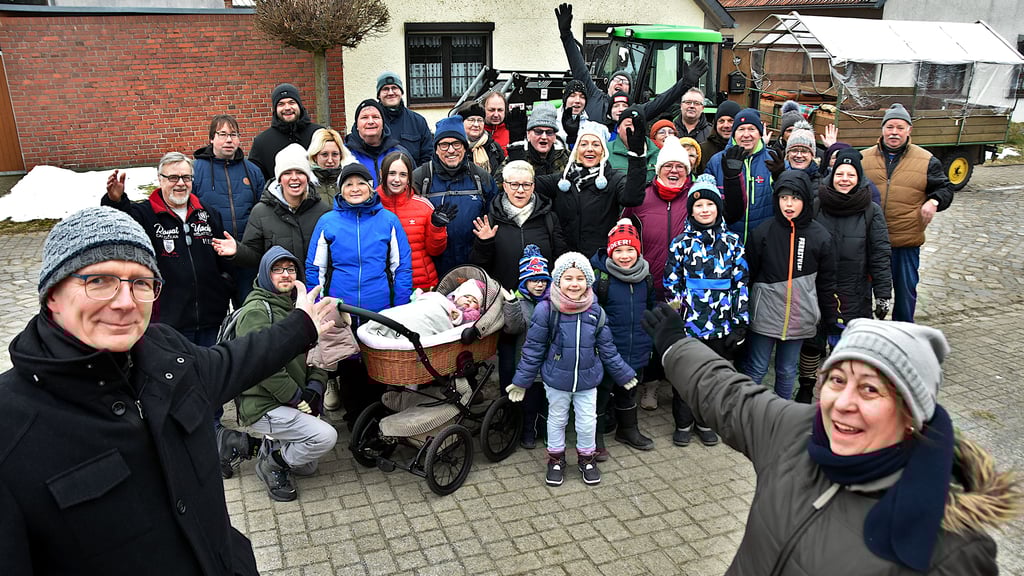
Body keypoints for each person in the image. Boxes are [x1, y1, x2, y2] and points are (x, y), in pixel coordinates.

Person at [0, 206, 333, 575]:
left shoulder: (167, 354)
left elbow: (236, 360)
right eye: (99, 280)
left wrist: (303, 324)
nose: (126, 302)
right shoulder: (10, 427)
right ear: (52, 294)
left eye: (141, 282)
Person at [642, 309, 1023, 574]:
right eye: (836, 381)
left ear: (911, 414)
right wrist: (676, 345)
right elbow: (728, 395)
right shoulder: (795, 431)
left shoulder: (951, 549)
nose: (843, 404)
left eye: (870, 389)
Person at [508, 251, 638, 486]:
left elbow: (607, 348)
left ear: (588, 281)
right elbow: (533, 349)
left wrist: (623, 373)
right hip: (556, 379)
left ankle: (587, 458)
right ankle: (556, 459)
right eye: (568, 278)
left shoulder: (596, 311)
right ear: (558, 280)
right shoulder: (546, 310)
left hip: (588, 380)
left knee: (587, 421)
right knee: (556, 419)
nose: (574, 283)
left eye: (580, 278)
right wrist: (521, 381)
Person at [307, 162, 413, 428]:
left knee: (378, 363)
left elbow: (400, 266)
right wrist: (320, 305)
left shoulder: (387, 220)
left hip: (380, 308)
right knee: (350, 366)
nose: (355, 189)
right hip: (343, 312)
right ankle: (356, 418)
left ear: (370, 188)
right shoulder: (327, 221)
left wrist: (399, 307)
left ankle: (381, 415)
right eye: (348, 184)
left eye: (360, 184)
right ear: (341, 190)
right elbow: (315, 267)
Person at [235, 247, 337, 502]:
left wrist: (315, 386)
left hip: (287, 400)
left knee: (308, 466)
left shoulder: (294, 307)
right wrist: (296, 397)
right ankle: (273, 463)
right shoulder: (257, 312)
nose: (285, 275)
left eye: (290, 269)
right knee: (325, 437)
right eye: (277, 269)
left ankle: (264, 445)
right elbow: (260, 366)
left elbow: (314, 356)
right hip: (261, 403)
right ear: (265, 274)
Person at [470, 159, 568, 423]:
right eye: (514, 184)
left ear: (534, 186)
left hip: (545, 303)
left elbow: (560, 257)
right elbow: (480, 267)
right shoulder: (491, 217)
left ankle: (542, 416)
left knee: (545, 355)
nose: (520, 190)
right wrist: (484, 243)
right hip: (509, 303)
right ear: (504, 186)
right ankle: (510, 416)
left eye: (526, 184)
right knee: (510, 359)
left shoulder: (548, 216)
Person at [794, 148, 892, 403]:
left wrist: (883, 294)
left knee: (845, 347)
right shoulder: (816, 204)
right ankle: (806, 386)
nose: (845, 178)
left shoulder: (871, 211)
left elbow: (880, 254)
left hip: (853, 290)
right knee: (812, 343)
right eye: (840, 173)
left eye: (851, 174)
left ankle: (841, 393)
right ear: (832, 175)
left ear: (859, 178)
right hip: (817, 288)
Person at [103, 152, 232, 346]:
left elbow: (223, 258)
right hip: (168, 322)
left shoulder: (208, 213)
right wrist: (115, 201)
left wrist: (225, 283)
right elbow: (118, 224)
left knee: (210, 373)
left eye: (186, 177)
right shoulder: (145, 214)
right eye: (173, 177)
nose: (180, 183)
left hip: (211, 319)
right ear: (160, 179)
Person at [664, 174, 749, 445]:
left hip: (721, 321)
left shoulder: (733, 243)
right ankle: (684, 420)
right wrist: (675, 319)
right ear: (691, 211)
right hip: (690, 322)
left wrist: (740, 322)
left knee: (713, 375)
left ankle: (705, 421)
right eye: (698, 206)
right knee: (686, 373)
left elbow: (741, 283)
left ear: (718, 208)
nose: (704, 210)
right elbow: (671, 283)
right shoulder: (681, 244)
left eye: (710, 205)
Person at [742, 170, 838, 400]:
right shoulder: (762, 232)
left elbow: (826, 283)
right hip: (765, 315)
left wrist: (829, 318)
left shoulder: (820, 236)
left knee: (786, 371)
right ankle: (744, 412)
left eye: (795, 198)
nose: (789, 204)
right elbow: (749, 275)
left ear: (805, 200)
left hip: (800, 317)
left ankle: (783, 417)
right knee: (756, 368)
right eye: (784, 197)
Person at [861, 103, 954, 323]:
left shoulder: (927, 160)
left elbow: (945, 188)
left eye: (900, 127)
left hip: (905, 241)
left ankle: (903, 334)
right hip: (869, 241)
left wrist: (934, 201)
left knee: (905, 292)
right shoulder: (863, 159)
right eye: (890, 126)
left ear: (909, 130)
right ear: (882, 129)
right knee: (862, 292)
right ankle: (865, 333)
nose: (894, 132)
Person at [555, 3, 708, 132]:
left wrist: (685, 84)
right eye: (616, 79)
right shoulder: (594, 97)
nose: (620, 83)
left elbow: (662, 101)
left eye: (625, 81)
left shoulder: (634, 111)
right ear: (608, 85)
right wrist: (566, 35)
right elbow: (579, 69)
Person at [212, 143, 330, 284]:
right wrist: (238, 251)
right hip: (277, 295)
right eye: (287, 173)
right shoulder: (261, 212)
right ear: (279, 178)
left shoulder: (324, 212)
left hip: (315, 293)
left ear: (308, 177)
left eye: (300, 172)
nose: (294, 178)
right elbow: (254, 256)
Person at [589, 219, 656, 458]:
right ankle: (593, 437)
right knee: (601, 394)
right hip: (608, 351)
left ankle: (628, 429)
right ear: (610, 251)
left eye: (630, 250)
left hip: (636, 347)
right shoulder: (601, 279)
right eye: (619, 250)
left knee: (629, 391)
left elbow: (650, 309)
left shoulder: (646, 278)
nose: (625, 256)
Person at [537, 121, 646, 256]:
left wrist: (637, 158)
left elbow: (632, 198)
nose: (590, 149)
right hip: (565, 261)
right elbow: (526, 183)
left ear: (603, 151)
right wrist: (517, 144)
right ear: (576, 150)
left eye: (596, 144)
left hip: (599, 262)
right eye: (584, 144)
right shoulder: (560, 181)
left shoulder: (614, 179)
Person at [192, 114, 266, 305]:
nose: (228, 140)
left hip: (245, 256)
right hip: (211, 258)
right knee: (214, 313)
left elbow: (263, 211)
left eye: (233, 134)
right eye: (222, 134)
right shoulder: (195, 171)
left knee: (248, 312)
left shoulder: (252, 171)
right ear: (211, 138)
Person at [412, 116, 499, 277]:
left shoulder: (481, 178)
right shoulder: (420, 178)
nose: (451, 150)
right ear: (436, 149)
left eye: (456, 144)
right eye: (444, 145)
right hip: (433, 269)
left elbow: (493, 218)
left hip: (473, 265)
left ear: (465, 147)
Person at [501, 244, 552, 449]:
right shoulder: (520, 303)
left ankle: (548, 431)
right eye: (533, 280)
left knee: (548, 403)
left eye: (542, 280)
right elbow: (512, 328)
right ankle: (528, 432)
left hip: (549, 363)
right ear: (524, 281)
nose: (539, 285)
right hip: (527, 364)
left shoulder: (552, 302)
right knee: (529, 403)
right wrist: (511, 304)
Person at [379, 151, 452, 291]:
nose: (397, 179)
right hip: (382, 286)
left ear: (409, 178)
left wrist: (437, 228)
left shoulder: (423, 206)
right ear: (382, 174)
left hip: (420, 284)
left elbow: (435, 251)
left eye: (403, 175)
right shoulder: (371, 206)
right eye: (392, 173)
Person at [705, 108, 777, 243]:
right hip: (726, 241)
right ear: (734, 134)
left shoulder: (773, 159)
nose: (746, 134)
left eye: (751, 129)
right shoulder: (717, 161)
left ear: (760, 133)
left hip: (764, 240)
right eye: (741, 129)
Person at [249, 83, 323, 180]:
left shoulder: (319, 135)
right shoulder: (262, 142)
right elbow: (256, 180)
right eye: (281, 104)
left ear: (299, 105)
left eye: (291, 102)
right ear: (275, 109)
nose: (287, 108)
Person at [499, 101, 570, 184]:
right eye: (538, 132)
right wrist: (517, 163)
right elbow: (498, 187)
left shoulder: (566, 158)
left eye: (549, 132)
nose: (544, 137)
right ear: (528, 134)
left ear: (554, 136)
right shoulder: (515, 157)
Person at [345, 98, 411, 187]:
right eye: (364, 117)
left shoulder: (399, 152)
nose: (371, 122)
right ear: (356, 125)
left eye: (375, 117)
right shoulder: (345, 154)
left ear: (383, 123)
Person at [375, 71, 433, 165]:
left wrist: (415, 177)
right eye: (385, 89)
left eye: (394, 88)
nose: (390, 93)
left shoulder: (418, 122)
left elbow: (428, 157)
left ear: (401, 92)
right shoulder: (370, 122)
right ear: (378, 95)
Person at [608, 105, 658, 181]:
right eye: (628, 125)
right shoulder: (606, 151)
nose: (633, 129)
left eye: (637, 125)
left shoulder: (657, 153)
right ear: (618, 129)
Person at [307, 126, 356, 202]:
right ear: (315, 156)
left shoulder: (352, 182)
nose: (330, 160)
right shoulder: (306, 186)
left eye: (335, 154)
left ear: (341, 156)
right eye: (324, 154)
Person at [459, 101, 506, 179]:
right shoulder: (456, 147)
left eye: (480, 120)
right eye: (471, 120)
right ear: (462, 122)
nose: (476, 125)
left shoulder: (493, 147)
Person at [699, 99, 740, 174]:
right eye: (721, 121)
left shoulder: (746, 148)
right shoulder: (703, 150)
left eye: (731, 121)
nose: (726, 125)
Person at [558, 79, 589, 146]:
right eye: (572, 95)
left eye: (582, 97)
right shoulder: (553, 121)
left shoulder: (593, 127)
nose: (577, 100)